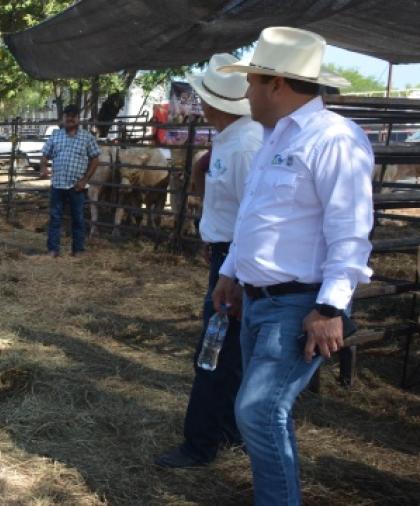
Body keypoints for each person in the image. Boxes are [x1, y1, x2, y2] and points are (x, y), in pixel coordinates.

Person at [212, 27, 374, 505]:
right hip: (261, 300)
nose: (246, 93)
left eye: (251, 82)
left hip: (299, 303)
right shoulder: (275, 137)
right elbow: (256, 218)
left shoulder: (334, 139)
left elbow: (351, 230)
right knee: (259, 411)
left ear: (276, 85)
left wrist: (329, 308)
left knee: (260, 412)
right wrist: (231, 272)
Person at [155, 53, 263, 468]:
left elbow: (252, 220)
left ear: (214, 102)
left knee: (214, 354)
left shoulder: (245, 147)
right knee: (228, 353)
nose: (199, 104)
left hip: (235, 263)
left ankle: (200, 444)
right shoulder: (231, 140)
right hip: (226, 255)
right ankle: (229, 432)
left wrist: (232, 270)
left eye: (202, 97)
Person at [40, 104, 101, 257]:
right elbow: (45, 154)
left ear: (78, 119)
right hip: (58, 184)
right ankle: (53, 249)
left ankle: (78, 250)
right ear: (63, 118)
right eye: (67, 115)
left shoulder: (87, 137)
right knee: (55, 217)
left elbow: (95, 158)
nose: (70, 118)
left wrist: (85, 179)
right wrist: (43, 167)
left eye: (73, 115)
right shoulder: (55, 135)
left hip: (77, 186)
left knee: (78, 218)